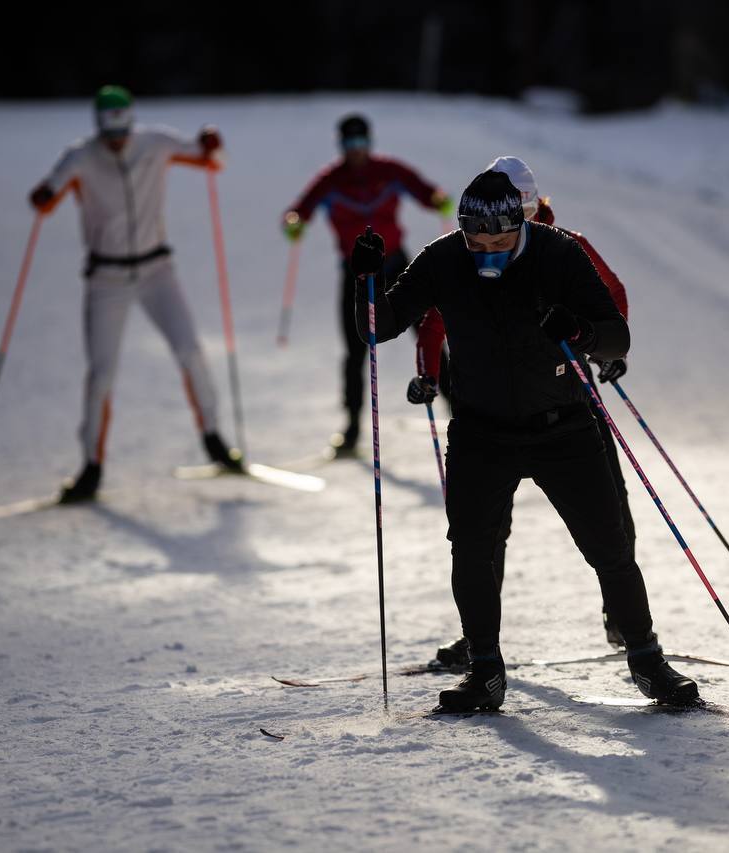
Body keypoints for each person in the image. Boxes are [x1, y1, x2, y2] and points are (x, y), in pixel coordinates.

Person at [352, 169, 698, 712]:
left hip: (563, 425)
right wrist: (366, 282)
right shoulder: (443, 259)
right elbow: (378, 328)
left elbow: (616, 334)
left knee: (609, 547)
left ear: (521, 226)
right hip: (481, 431)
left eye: (500, 242)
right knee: (471, 549)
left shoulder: (558, 254)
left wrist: (579, 330)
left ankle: (648, 662)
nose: (487, 253)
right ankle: (485, 670)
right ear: (463, 230)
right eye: (477, 242)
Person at [406, 156, 634, 668]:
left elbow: (612, 297)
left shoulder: (565, 247)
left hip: (570, 399)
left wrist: (607, 353)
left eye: (527, 209)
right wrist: (427, 372)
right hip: (496, 412)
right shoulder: (478, 247)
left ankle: (624, 619)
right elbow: (436, 315)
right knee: (486, 528)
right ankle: (479, 640)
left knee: (611, 511)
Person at [28, 85, 241, 503]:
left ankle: (214, 438)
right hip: (105, 278)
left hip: (157, 271)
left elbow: (215, 162)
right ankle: (90, 466)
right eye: (110, 137)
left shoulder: (156, 143)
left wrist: (214, 144)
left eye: (122, 134)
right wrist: (42, 196)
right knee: (101, 374)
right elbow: (46, 195)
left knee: (190, 350)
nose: (117, 144)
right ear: (99, 131)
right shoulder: (81, 156)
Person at [282, 114, 452, 453]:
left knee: (429, 335)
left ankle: (459, 406)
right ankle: (352, 426)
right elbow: (299, 212)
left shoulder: (389, 171)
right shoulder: (330, 181)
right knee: (355, 349)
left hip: (399, 267)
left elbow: (425, 191)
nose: (356, 150)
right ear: (341, 145)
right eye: (349, 144)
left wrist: (437, 198)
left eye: (361, 143)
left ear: (369, 142)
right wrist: (294, 223)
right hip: (356, 274)